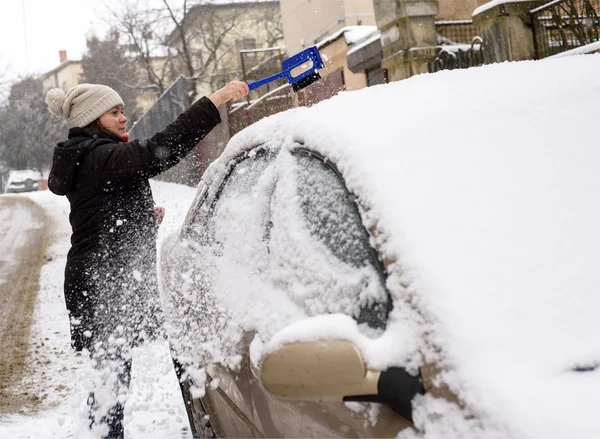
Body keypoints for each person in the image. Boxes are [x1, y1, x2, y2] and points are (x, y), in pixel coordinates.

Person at [46, 80, 249, 438]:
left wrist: (139, 221)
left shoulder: (92, 155)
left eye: (122, 110)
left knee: (116, 374)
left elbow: (98, 214)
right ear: (93, 118)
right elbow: (160, 150)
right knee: (117, 376)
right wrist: (216, 101)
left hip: (106, 278)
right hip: (103, 284)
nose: (124, 118)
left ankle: (191, 417)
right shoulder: (98, 156)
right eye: (114, 112)